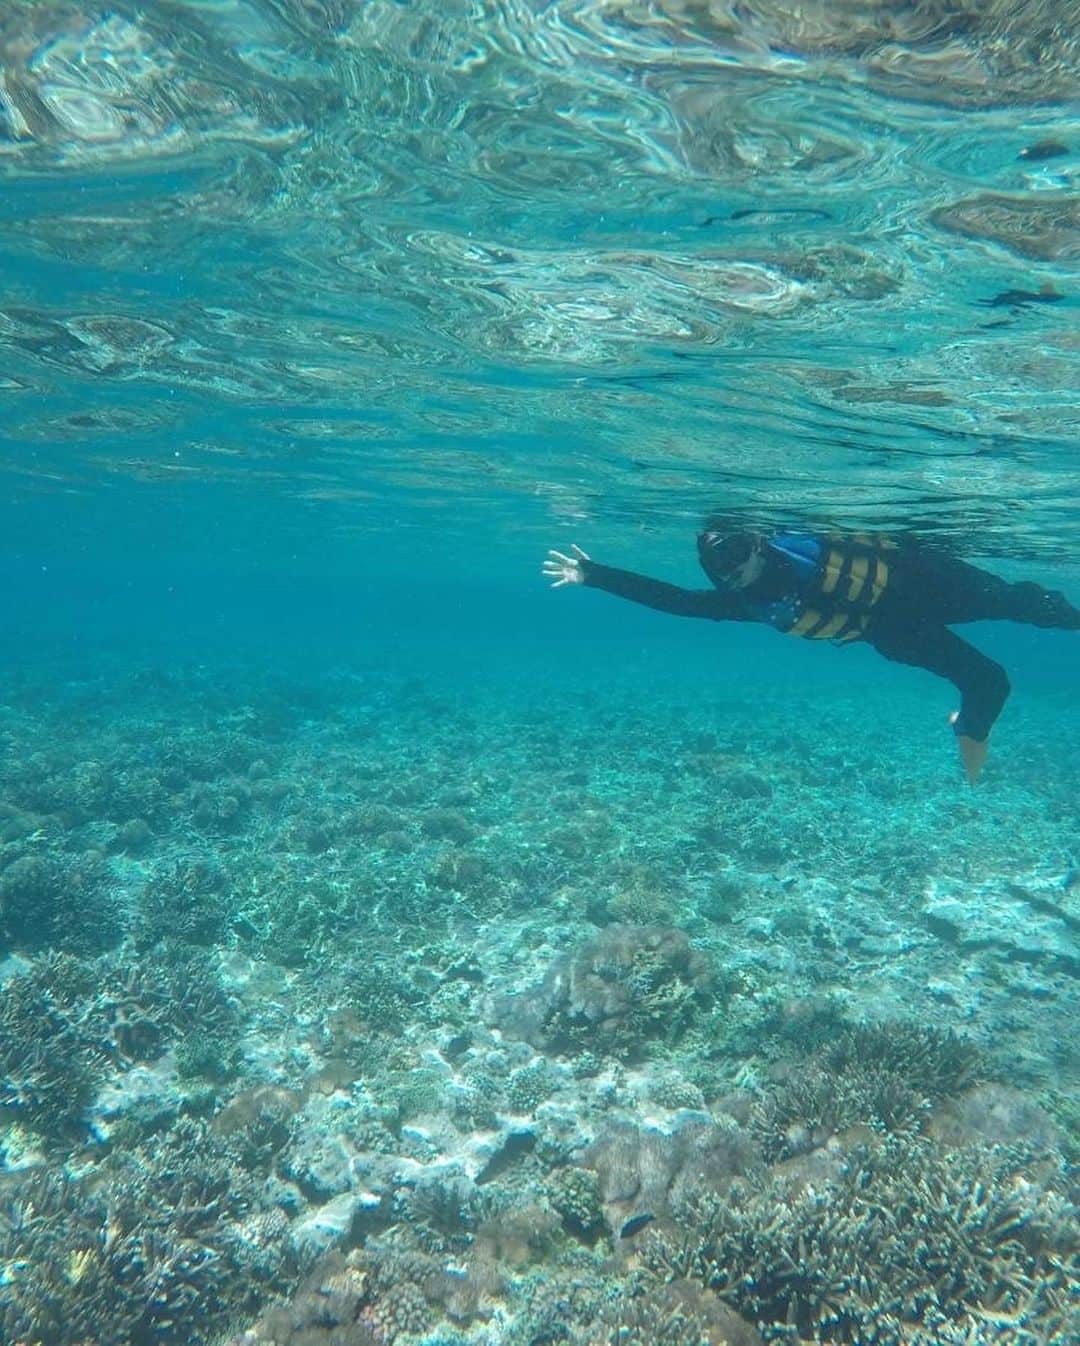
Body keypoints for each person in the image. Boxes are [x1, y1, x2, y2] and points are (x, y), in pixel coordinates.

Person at [543, 529, 1080, 784]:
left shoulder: (801, 542)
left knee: (1030, 604)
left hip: (926, 579)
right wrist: (596, 575)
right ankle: (970, 731)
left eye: (738, 552)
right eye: (725, 568)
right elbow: (679, 603)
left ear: (757, 541)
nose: (738, 567)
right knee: (991, 681)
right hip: (893, 628)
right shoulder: (751, 604)